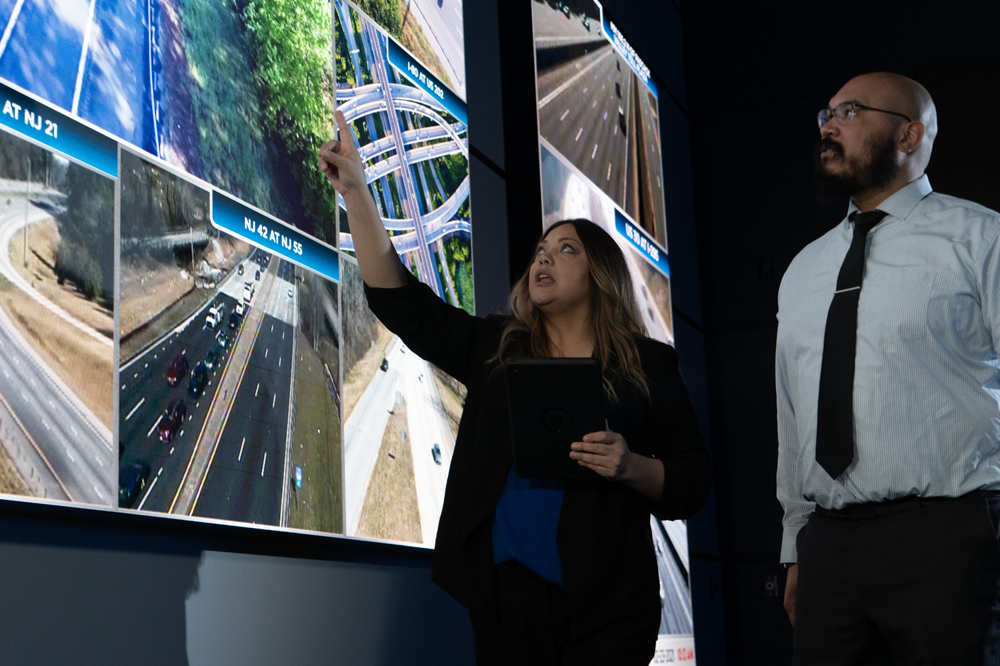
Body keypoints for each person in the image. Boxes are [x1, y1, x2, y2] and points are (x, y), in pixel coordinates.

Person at [318, 110, 711, 665]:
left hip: (610, 617)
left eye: (566, 248)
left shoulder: (649, 366)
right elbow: (402, 303)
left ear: (601, 274)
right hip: (508, 607)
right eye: (541, 249)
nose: (543, 255)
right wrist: (357, 192)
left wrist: (630, 466)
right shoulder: (497, 349)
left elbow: (693, 481)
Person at [776, 72, 1000, 664]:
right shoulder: (803, 268)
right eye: (826, 113)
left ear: (909, 135)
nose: (829, 126)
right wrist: (796, 545)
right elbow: (792, 418)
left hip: (951, 538)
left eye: (849, 112)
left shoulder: (982, 238)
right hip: (828, 547)